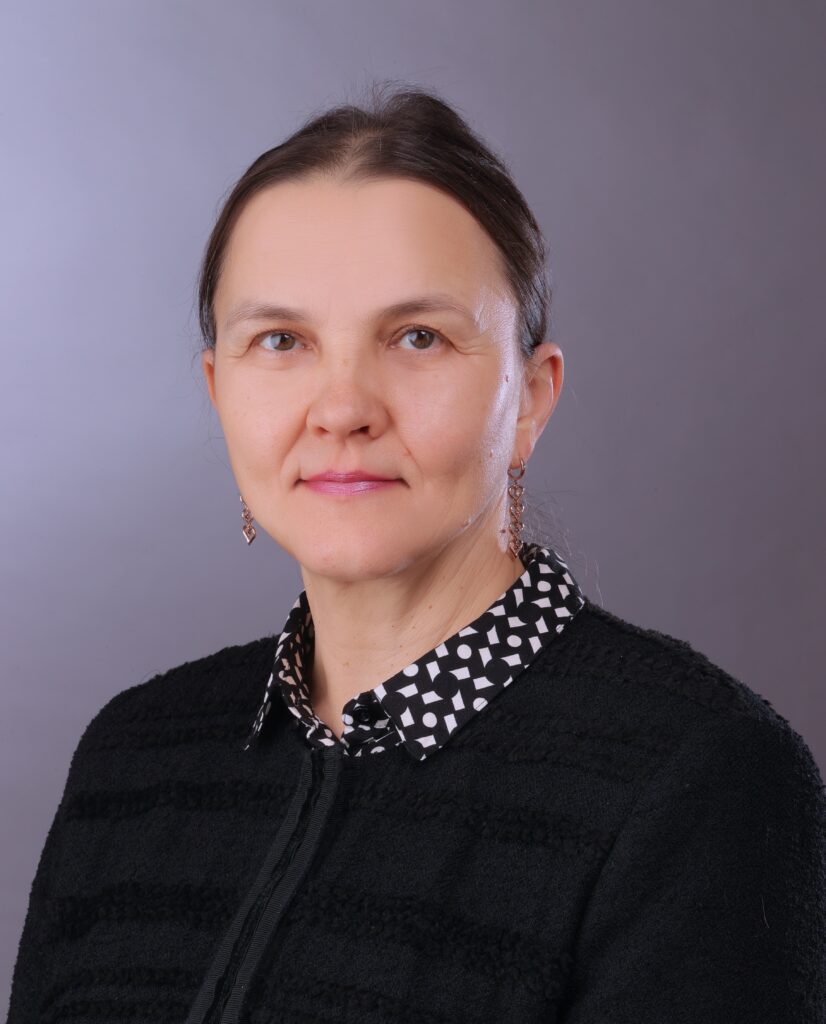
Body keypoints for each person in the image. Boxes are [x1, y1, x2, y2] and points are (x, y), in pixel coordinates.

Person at [7, 81, 826, 1024]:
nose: (342, 408)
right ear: (219, 390)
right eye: (281, 340)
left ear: (531, 398)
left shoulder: (699, 776)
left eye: (418, 337)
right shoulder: (133, 756)